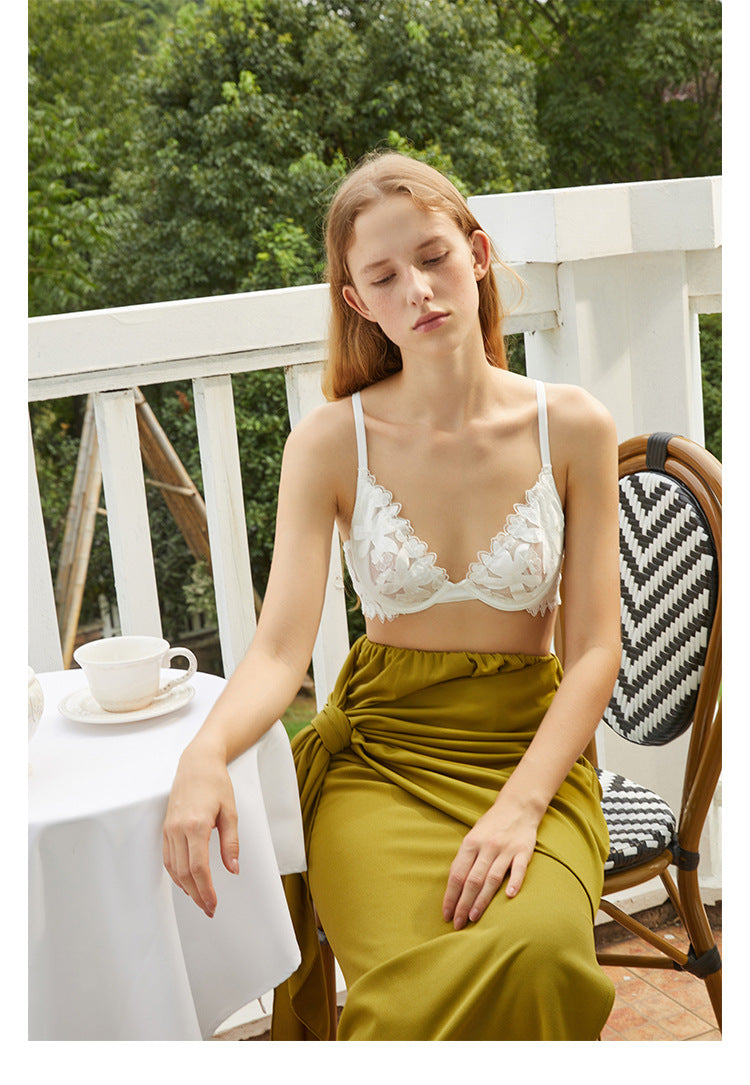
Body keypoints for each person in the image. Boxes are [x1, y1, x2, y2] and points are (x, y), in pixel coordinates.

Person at [163, 151, 622, 1041]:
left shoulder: (572, 426)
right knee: (407, 1001)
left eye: (434, 256)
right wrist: (205, 752)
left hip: (529, 756)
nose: (417, 288)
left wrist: (523, 804)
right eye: (383, 276)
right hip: (381, 761)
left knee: (541, 955)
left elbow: (595, 647)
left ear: (477, 255)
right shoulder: (330, 442)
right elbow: (278, 650)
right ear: (358, 302)